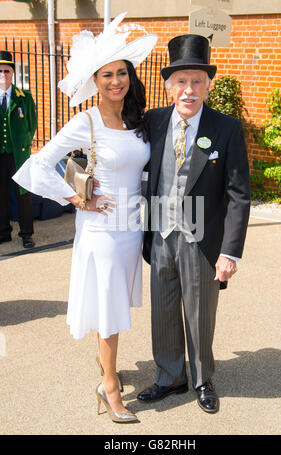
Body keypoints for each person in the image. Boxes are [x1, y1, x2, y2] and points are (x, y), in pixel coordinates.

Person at [13, 12, 157, 423]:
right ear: (94, 81)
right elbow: (37, 165)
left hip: (132, 226)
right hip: (102, 230)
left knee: (114, 304)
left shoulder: (137, 120)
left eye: (122, 73)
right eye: (107, 75)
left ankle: (106, 366)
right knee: (109, 307)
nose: (116, 81)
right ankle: (109, 386)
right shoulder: (85, 121)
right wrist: (75, 200)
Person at [137, 34, 251, 413]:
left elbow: (238, 194)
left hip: (203, 237)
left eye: (197, 81)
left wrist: (230, 252)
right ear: (169, 85)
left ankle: (202, 379)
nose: (189, 90)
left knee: (200, 314)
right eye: (181, 81)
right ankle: (170, 377)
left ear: (208, 85)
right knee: (163, 311)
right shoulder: (153, 121)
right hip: (160, 235)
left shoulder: (226, 128)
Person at [0, 50, 37, 248]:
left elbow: (31, 125)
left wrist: (23, 144)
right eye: (0, 71)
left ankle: (26, 234)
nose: (3, 75)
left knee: (23, 194)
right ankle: (3, 232)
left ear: (12, 73)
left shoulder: (24, 97)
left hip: (18, 154)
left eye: (7, 71)